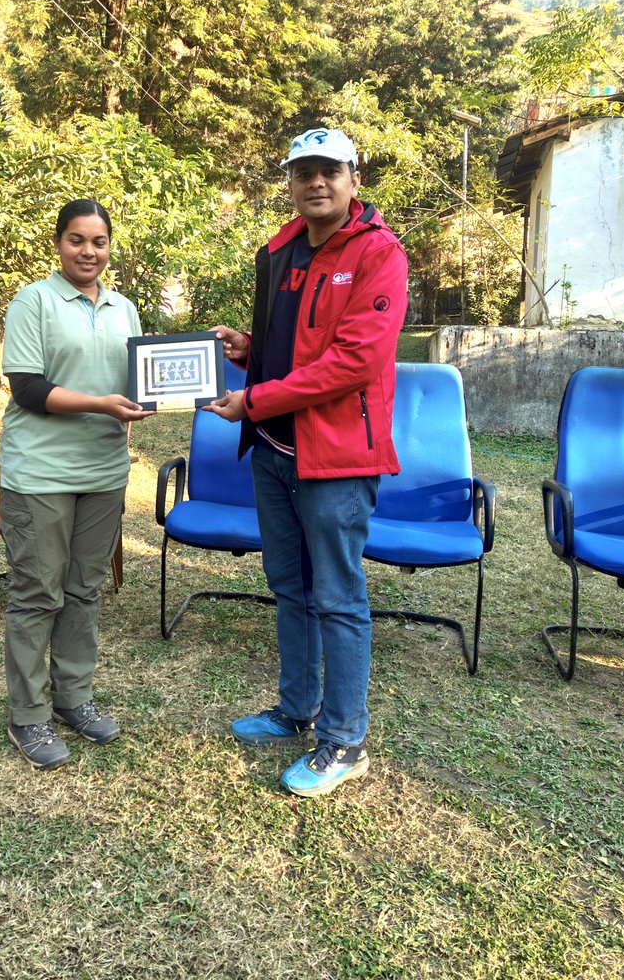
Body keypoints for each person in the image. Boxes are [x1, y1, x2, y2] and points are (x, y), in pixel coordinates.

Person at [206, 127, 408, 797]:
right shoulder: (285, 249)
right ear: (290, 182)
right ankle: (296, 710)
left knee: (339, 597)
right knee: (289, 586)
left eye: (330, 170)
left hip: (338, 459)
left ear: (354, 180)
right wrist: (249, 349)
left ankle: (345, 740)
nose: (316, 182)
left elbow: (353, 361)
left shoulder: (379, 256)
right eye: (303, 172)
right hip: (275, 451)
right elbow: (293, 341)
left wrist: (256, 398)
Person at [0, 199, 153, 771]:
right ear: (58, 244)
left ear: (110, 246)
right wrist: (101, 404)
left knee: (84, 590)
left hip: (104, 471)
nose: (89, 251)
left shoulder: (124, 308)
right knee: (39, 591)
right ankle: (28, 715)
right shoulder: (33, 300)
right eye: (77, 240)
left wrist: (151, 397)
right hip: (40, 472)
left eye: (100, 241)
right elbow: (28, 389)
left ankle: (74, 698)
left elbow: (140, 379)